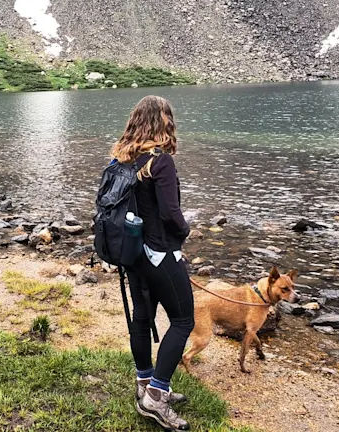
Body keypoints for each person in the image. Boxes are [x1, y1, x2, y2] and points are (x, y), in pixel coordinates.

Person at [111, 95, 194, 432]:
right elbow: (170, 213)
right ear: (164, 122)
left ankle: (145, 382)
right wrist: (186, 231)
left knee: (143, 316)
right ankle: (156, 395)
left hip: (133, 254)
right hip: (159, 253)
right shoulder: (160, 162)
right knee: (183, 320)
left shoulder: (121, 158)